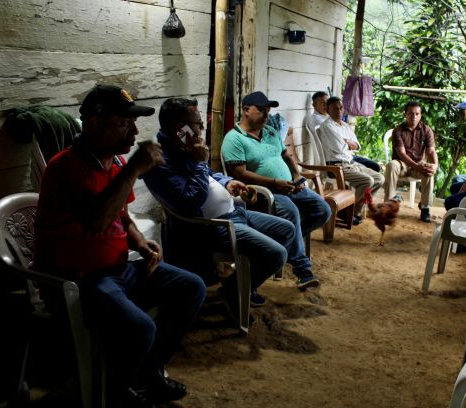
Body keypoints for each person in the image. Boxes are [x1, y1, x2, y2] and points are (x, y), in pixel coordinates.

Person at [33, 85, 207, 408]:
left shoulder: (111, 163)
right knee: (142, 328)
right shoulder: (65, 167)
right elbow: (97, 220)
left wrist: (139, 242)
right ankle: (113, 392)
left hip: (116, 267)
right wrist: (133, 170)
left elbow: (121, 215)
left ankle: (149, 371)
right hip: (78, 279)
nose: (135, 131)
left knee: (192, 287)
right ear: (95, 123)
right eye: (124, 122)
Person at [142, 97, 296, 312]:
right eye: (198, 123)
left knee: (286, 229)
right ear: (180, 128)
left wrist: (228, 182)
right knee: (277, 254)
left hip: (234, 212)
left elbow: (208, 175)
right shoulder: (159, 161)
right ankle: (234, 290)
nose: (202, 128)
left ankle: (239, 285)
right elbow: (188, 202)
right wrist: (198, 161)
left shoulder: (186, 145)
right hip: (215, 226)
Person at [222, 91, 331, 291]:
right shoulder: (234, 139)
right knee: (292, 212)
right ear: (246, 110)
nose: (266, 115)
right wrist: (274, 182)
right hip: (266, 193)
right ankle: (302, 270)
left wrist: (297, 175)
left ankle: (285, 242)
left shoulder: (270, 131)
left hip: (290, 185)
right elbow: (240, 174)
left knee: (323, 210)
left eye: (268, 111)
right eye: (261, 111)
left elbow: (286, 155)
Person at [318, 96, 385, 225]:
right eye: (334, 108)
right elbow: (339, 148)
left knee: (379, 179)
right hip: (336, 166)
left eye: (340, 108)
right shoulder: (327, 126)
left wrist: (347, 142)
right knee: (367, 181)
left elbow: (358, 146)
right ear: (327, 110)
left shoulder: (344, 125)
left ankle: (354, 211)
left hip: (351, 162)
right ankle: (348, 211)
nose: (338, 111)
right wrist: (347, 143)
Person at [383, 101, 438, 223]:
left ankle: (425, 208)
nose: (414, 116)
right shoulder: (398, 130)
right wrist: (417, 167)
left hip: (418, 164)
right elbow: (401, 154)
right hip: (401, 164)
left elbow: (431, 151)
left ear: (421, 115)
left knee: (428, 169)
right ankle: (389, 205)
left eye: (417, 114)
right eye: (411, 113)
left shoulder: (427, 130)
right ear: (405, 114)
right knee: (391, 165)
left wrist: (435, 165)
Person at [306, 90, 380, 172]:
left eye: (327, 102)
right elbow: (338, 144)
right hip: (335, 158)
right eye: (322, 103)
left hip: (347, 155)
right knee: (371, 170)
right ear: (314, 105)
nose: (325, 105)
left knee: (375, 166)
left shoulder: (333, 119)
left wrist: (345, 141)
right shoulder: (319, 121)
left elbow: (356, 145)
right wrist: (347, 141)